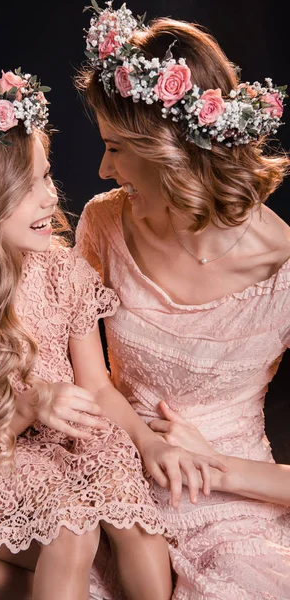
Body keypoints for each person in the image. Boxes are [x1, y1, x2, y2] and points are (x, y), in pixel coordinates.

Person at [0, 68, 227, 600]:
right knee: (69, 531)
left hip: (89, 438)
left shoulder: (63, 272)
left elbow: (96, 385)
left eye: (48, 177)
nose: (51, 197)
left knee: (134, 525)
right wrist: (31, 404)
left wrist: (142, 442)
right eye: (31, 186)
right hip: (16, 457)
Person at [75, 3, 290, 599]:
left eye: (116, 148)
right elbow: (79, 370)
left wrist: (223, 469)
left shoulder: (284, 269)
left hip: (235, 509)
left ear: (170, 149)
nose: (101, 168)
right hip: (115, 476)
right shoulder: (104, 224)